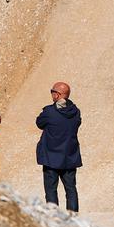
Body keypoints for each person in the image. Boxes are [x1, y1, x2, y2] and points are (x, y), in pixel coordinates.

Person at [35, 81, 82, 212]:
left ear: (58, 94)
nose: (51, 94)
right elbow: (77, 124)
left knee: (51, 191)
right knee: (71, 189)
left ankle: (54, 219)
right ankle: (73, 220)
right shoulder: (75, 112)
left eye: (52, 92)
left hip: (51, 159)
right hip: (69, 158)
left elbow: (39, 123)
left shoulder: (49, 112)